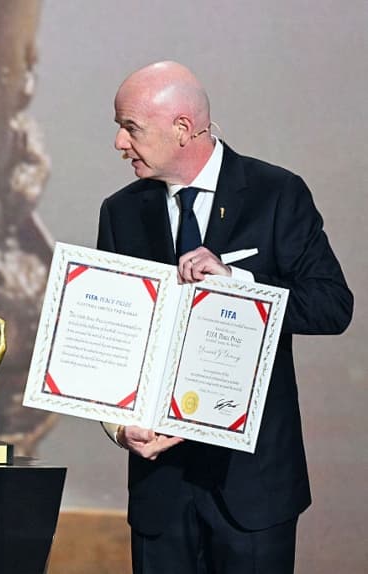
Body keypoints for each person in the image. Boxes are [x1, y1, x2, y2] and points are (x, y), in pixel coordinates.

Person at [98, 61, 352, 574]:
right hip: (160, 490)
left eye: (131, 128)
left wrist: (238, 287)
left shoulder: (276, 193)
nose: (120, 145)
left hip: (253, 488)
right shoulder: (120, 211)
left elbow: (332, 305)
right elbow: (114, 342)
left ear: (183, 129)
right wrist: (118, 427)